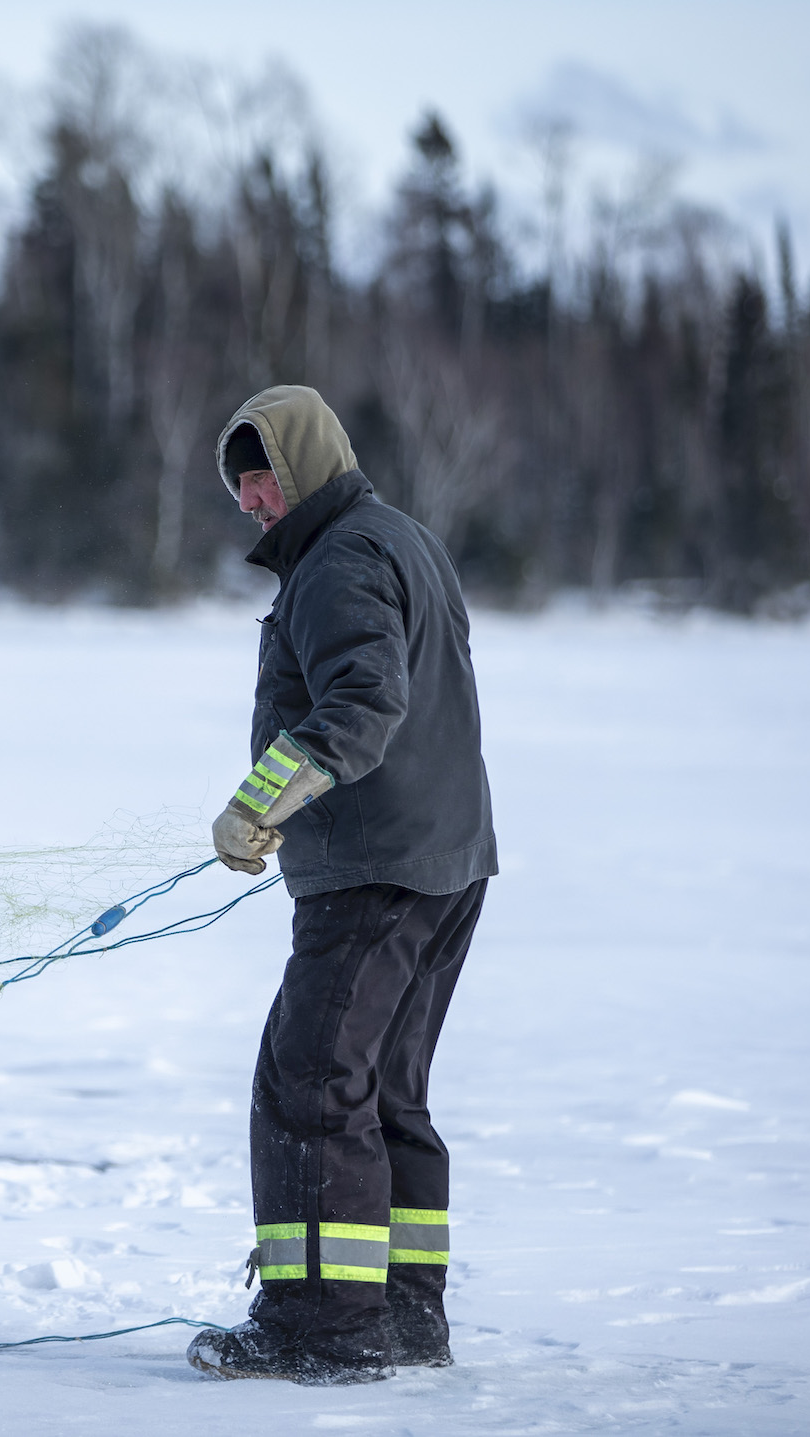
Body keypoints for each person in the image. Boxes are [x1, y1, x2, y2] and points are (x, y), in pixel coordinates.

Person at [186, 385, 498, 1385]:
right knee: (381, 1093)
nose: (249, 498)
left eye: (262, 473)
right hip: (444, 863)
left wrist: (261, 802)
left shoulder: (340, 561)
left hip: (378, 870)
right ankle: (404, 1319)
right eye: (237, 481)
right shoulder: (396, 538)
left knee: (310, 1087)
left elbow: (364, 704)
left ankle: (320, 1330)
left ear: (307, 460)